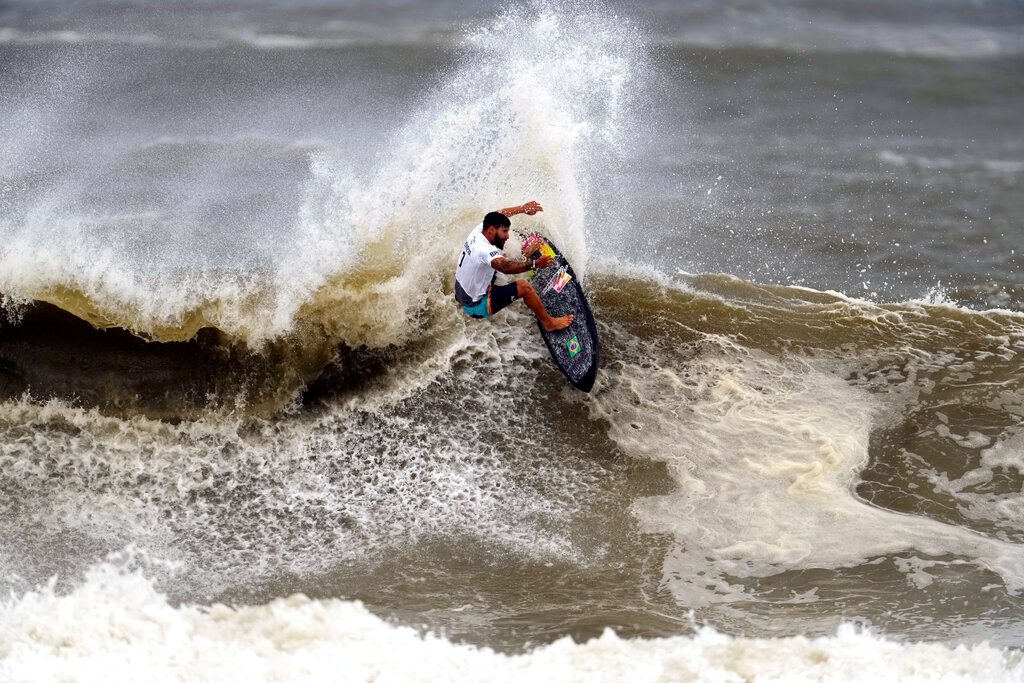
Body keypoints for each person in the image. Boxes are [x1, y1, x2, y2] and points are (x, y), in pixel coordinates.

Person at [453, 201, 573, 332]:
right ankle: (549, 323)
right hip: (476, 305)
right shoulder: (484, 249)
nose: (507, 236)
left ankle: (525, 256)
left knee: (502, 253)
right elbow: (505, 268)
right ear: (492, 230)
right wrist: (535, 264)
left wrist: (522, 209)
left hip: (462, 292)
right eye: (504, 231)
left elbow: (499, 214)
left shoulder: (480, 230)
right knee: (524, 287)